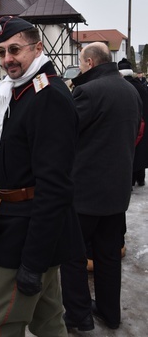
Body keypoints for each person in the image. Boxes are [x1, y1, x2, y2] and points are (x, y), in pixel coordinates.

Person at [0, 16, 85, 337]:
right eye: (1, 52)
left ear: (38, 48)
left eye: (14, 49)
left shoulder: (47, 95)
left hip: (27, 234)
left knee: (1, 325)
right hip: (23, 223)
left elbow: (55, 188)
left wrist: (33, 262)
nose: (7, 59)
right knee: (48, 319)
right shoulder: (20, 90)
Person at [60, 42, 142, 331]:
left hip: (85, 195)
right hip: (117, 192)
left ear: (90, 63)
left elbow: (66, 135)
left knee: (72, 255)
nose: (80, 68)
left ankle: (79, 314)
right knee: (108, 255)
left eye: (81, 63)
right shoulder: (130, 90)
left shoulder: (87, 91)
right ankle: (110, 312)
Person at [118, 58, 148, 187]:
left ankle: (128, 182)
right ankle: (140, 179)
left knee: (128, 154)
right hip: (142, 124)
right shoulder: (140, 87)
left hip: (128, 125)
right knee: (139, 153)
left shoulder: (121, 87)